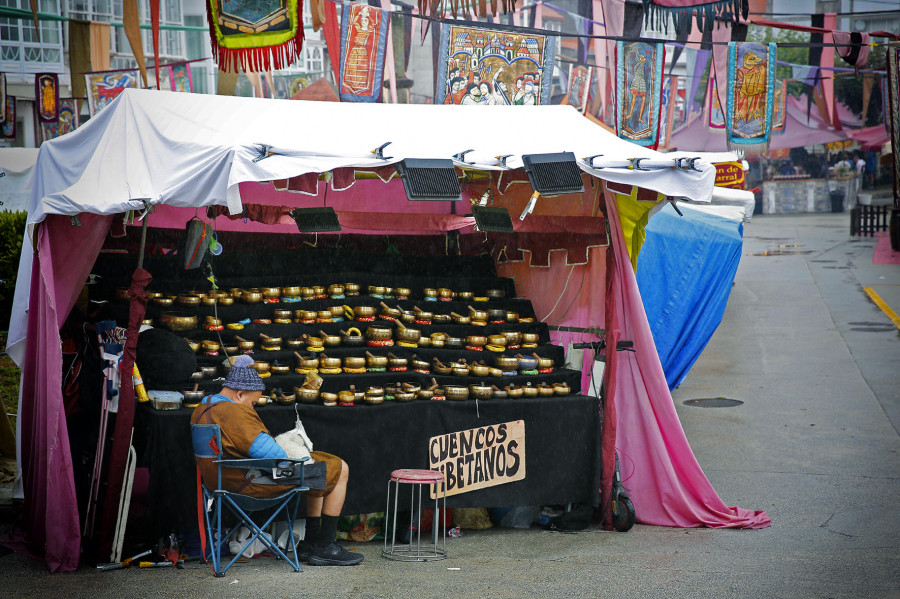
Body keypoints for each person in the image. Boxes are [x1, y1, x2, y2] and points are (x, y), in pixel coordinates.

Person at [191, 355, 363, 566]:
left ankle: (311, 543)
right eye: (252, 403)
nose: (252, 408)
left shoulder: (204, 406)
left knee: (321, 464)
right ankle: (325, 544)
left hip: (221, 481)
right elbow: (274, 454)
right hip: (249, 483)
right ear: (240, 394)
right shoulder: (232, 412)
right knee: (338, 467)